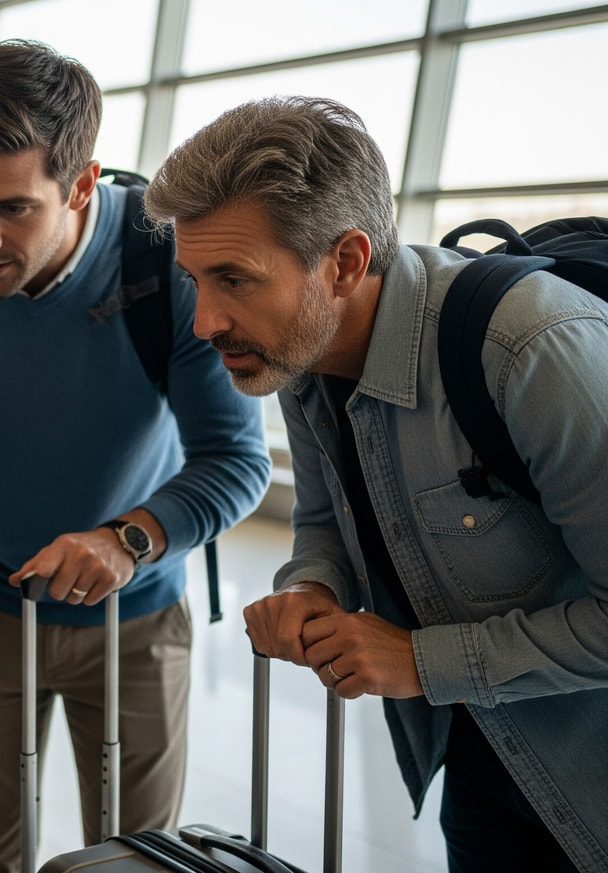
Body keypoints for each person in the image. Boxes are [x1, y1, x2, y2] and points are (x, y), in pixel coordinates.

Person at [145, 95, 608, 873]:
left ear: (347, 261)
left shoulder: (533, 351)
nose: (204, 321)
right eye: (195, 279)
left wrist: (421, 663)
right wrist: (311, 585)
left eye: (234, 279)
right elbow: (324, 520)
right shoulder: (299, 356)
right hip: (486, 752)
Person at [0, 41, 269, 869]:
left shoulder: (169, 264)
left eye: (14, 208)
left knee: (133, 859)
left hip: (138, 617)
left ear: (81, 185)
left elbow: (235, 459)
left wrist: (128, 538)